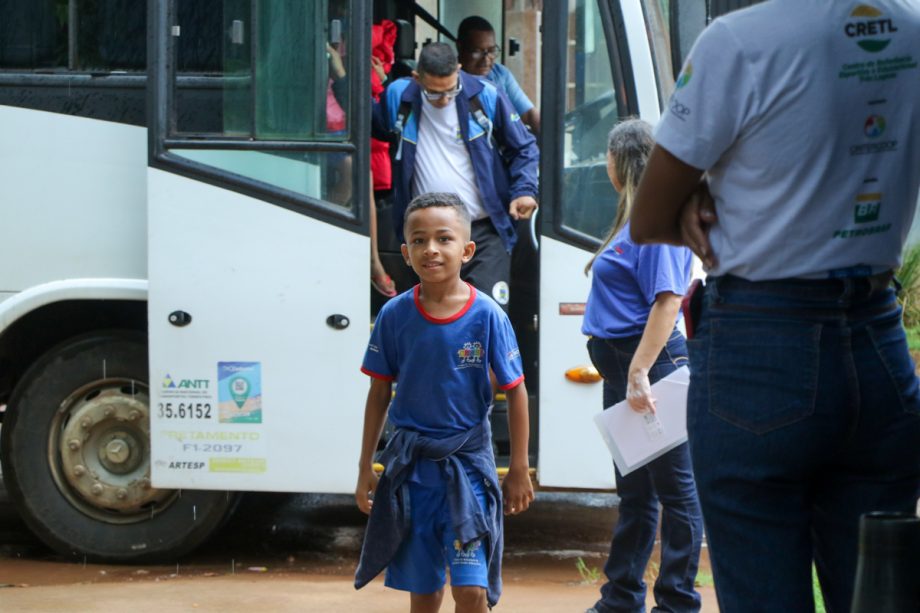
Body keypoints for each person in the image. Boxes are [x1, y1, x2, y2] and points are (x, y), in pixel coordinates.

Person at [628, 1, 920, 611]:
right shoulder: (912, 29)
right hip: (879, 344)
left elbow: (650, 216)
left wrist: (699, 193)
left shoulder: (738, 41)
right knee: (880, 594)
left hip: (759, 349)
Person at [353, 192, 534, 612]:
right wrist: (366, 465)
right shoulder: (394, 316)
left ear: (467, 249)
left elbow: (516, 390)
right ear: (405, 252)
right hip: (412, 473)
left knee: (472, 592)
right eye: (418, 240)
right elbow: (379, 392)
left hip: (468, 469)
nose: (430, 249)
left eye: (443, 238)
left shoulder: (487, 315)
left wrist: (519, 467)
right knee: (425, 593)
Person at [582, 120, 702, 613]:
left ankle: (676, 602)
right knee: (636, 495)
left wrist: (638, 374)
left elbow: (668, 302)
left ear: (616, 162)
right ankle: (622, 598)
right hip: (629, 371)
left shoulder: (657, 227)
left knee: (676, 493)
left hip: (650, 370)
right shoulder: (637, 221)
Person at [373, 42, 539, 311]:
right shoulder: (399, 96)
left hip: (483, 230)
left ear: (459, 70)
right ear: (417, 78)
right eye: (435, 93)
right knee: (431, 318)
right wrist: (347, 76)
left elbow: (524, 146)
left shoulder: (485, 94)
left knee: (487, 314)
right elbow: (373, 124)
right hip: (426, 235)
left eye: (451, 89)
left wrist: (524, 189)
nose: (445, 99)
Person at [456, 16, 540, 135]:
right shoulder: (448, 79)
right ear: (460, 47)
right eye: (477, 51)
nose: (486, 59)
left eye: (491, 51)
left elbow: (529, 114)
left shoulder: (500, 74)